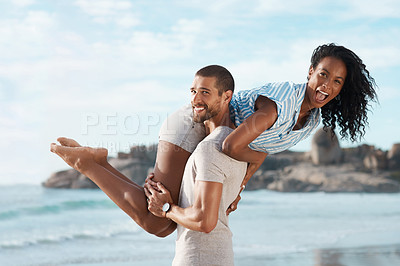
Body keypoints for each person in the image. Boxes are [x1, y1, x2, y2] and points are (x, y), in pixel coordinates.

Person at [50, 43, 377, 237]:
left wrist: (240, 188)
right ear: (309, 72)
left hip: (211, 134)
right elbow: (233, 147)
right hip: (194, 123)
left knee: (166, 219)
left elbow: (261, 152)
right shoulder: (280, 105)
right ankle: (88, 164)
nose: (327, 86)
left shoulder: (310, 121)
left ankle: (99, 162)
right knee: (159, 224)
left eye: (336, 81)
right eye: (323, 75)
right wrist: (245, 170)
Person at [143, 65, 246, 265]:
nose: (195, 100)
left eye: (205, 93)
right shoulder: (237, 143)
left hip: (198, 258)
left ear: (226, 96)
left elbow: (204, 221)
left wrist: (165, 207)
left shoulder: (211, 148)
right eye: (193, 91)